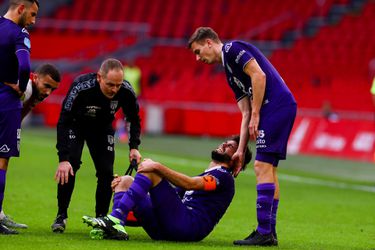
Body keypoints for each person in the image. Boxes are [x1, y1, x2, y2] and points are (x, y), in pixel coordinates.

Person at [188, 27, 297, 246]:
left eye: (198, 52)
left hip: (274, 107)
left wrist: (257, 113)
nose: (198, 58)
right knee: (269, 169)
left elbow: (259, 75)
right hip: (278, 107)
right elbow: (245, 113)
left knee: (261, 166)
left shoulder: (232, 49)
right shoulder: (229, 73)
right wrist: (239, 150)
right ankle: (269, 232)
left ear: (209, 42)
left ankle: (264, 232)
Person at [82, 135, 252, 242]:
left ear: (238, 160)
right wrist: (132, 193)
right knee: (126, 181)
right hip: (168, 226)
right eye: (226, 142)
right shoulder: (210, 173)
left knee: (151, 170)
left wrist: (158, 167)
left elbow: (190, 184)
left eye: (231, 146)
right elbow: (165, 198)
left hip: (187, 227)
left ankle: (115, 219)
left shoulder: (224, 176)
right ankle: (115, 225)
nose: (224, 144)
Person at [52, 58, 142, 233]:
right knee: (71, 165)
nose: (115, 90)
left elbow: (134, 119)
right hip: (76, 126)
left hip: (102, 129)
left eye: (118, 85)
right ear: (99, 77)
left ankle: (101, 218)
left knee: (106, 172)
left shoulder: (126, 91)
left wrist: (134, 146)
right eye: (110, 84)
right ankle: (61, 215)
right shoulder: (81, 86)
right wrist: (63, 158)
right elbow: (63, 120)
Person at [0, 63, 60, 232]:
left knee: (4, 162)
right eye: (46, 86)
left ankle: (0, 214)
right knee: (2, 162)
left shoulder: (36, 93)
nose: (48, 92)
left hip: (7, 126)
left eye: (53, 89)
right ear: (35, 77)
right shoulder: (25, 86)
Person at [0, 0, 40, 235]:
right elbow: (24, 67)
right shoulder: (19, 33)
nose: (34, 21)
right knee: (2, 159)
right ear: (21, 8)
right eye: (33, 14)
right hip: (6, 101)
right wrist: (21, 87)